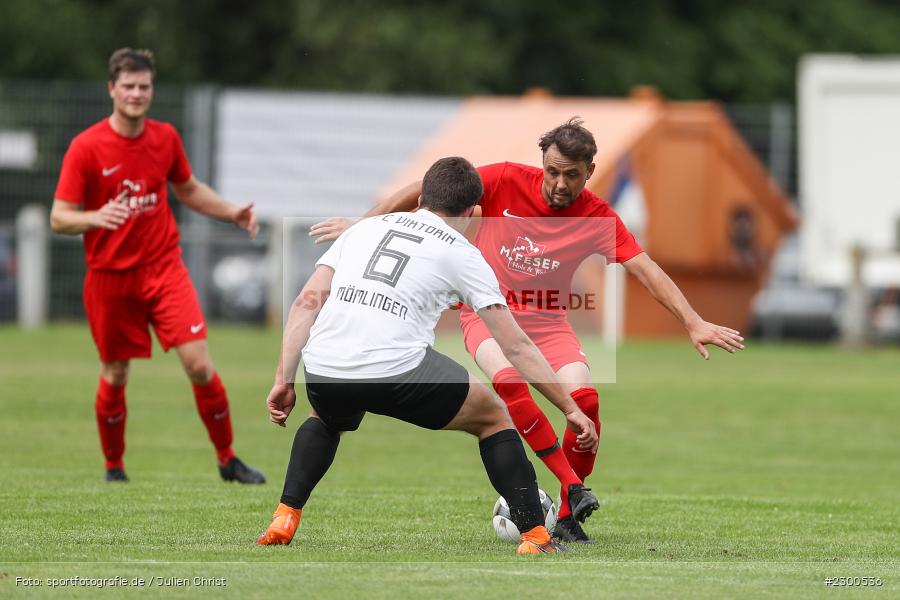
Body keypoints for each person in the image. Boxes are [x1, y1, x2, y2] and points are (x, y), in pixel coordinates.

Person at [311, 118, 745, 543]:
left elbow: (645, 269)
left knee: (585, 403)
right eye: (553, 171)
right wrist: (365, 226)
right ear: (542, 161)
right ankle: (573, 485)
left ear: (589, 172)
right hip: (488, 317)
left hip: (551, 324)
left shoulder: (597, 217)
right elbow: (426, 192)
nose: (559, 183)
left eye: (571, 176)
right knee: (511, 384)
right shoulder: (502, 179)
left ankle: (568, 516)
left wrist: (693, 321)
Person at [256, 157, 599, 555]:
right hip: (398, 370)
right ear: (471, 211)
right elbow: (516, 345)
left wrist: (284, 378)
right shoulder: (463, 252)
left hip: (325, 367)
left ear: (420, 197)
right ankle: (536, 538)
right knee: (494, 417)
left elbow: (305, 302)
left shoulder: (363, 230)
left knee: (326, 418)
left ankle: (285, 515)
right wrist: (568, 407)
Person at [49, 48, 265, 484]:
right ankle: (114, 468)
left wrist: (230, 212)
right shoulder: (86, 147)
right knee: (116, 371)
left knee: (199, 364)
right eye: (127, 86)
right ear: (112, 89)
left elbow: (187, 189)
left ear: (152, 89)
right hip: (110, 278)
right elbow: (59, 216)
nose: (136, 94)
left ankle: (228, 459)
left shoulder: (164, 137)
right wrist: (93, 217)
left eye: (144, 86)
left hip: (164, 269)